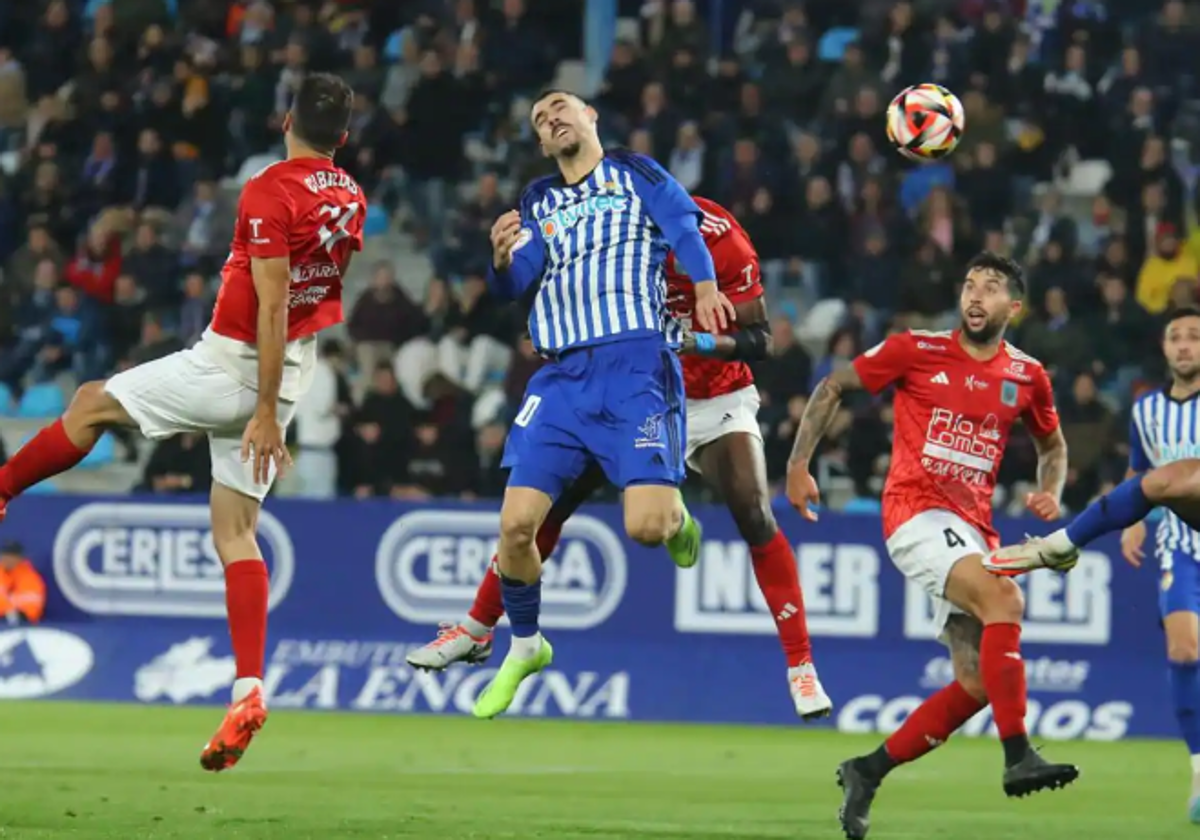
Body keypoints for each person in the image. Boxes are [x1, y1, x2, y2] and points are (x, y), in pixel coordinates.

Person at [0, 74, 364, 772]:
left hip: (235, 366)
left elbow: (272, 299)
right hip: (293, 370)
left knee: (89, 403)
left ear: (286, 119)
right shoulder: (350, 194)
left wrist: (260, 412)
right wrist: (274, 404)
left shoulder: (269, 189)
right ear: (342, 137)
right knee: (236, 533)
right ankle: (249, 687)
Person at [408, 197, 832, 719]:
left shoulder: (723, 241)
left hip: (712, 399)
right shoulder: (609, 229)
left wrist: (696, 340)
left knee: (753, 511)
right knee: (544, 511)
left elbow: (760, 340)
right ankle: (477, 628)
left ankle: (801, 666)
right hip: (635, 395)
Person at [784, 253, 1078, 839]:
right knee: (1006, 602)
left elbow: (1053, 446)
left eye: (991, 288)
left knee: (974, 680)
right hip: (916, 514)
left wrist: (1051, 493)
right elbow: (833, 385)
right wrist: (797, 463)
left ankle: (867, 770)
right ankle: (1018, 754)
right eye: (970, 284)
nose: (976, 295)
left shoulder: (1027, 375)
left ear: (1013, 308)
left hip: (971, 528)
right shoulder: (915, 349)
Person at [473, 89, 736, 720]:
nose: (551, 117)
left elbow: (680, 224)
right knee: (514, 528)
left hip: (636, 368)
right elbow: (518, 281)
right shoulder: (539, 200)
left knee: (646, 528)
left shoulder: (635, 171)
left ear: (590, 116)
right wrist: (501, 260)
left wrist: (703, 285)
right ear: (540, 143)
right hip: (562, 380)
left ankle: (677, 520)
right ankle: (527, 645)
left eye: (560, 106)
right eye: (539, 118)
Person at [986, 306, 1200, 822]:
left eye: (1195, 336)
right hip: (1180, 544)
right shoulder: (1146, 410)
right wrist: (1132, 522)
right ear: (1164, 347)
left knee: (1171, 479)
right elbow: (1137, 472)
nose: (1185, 345)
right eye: (1176, 336)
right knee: (1186, 649)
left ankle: (1062, 543)